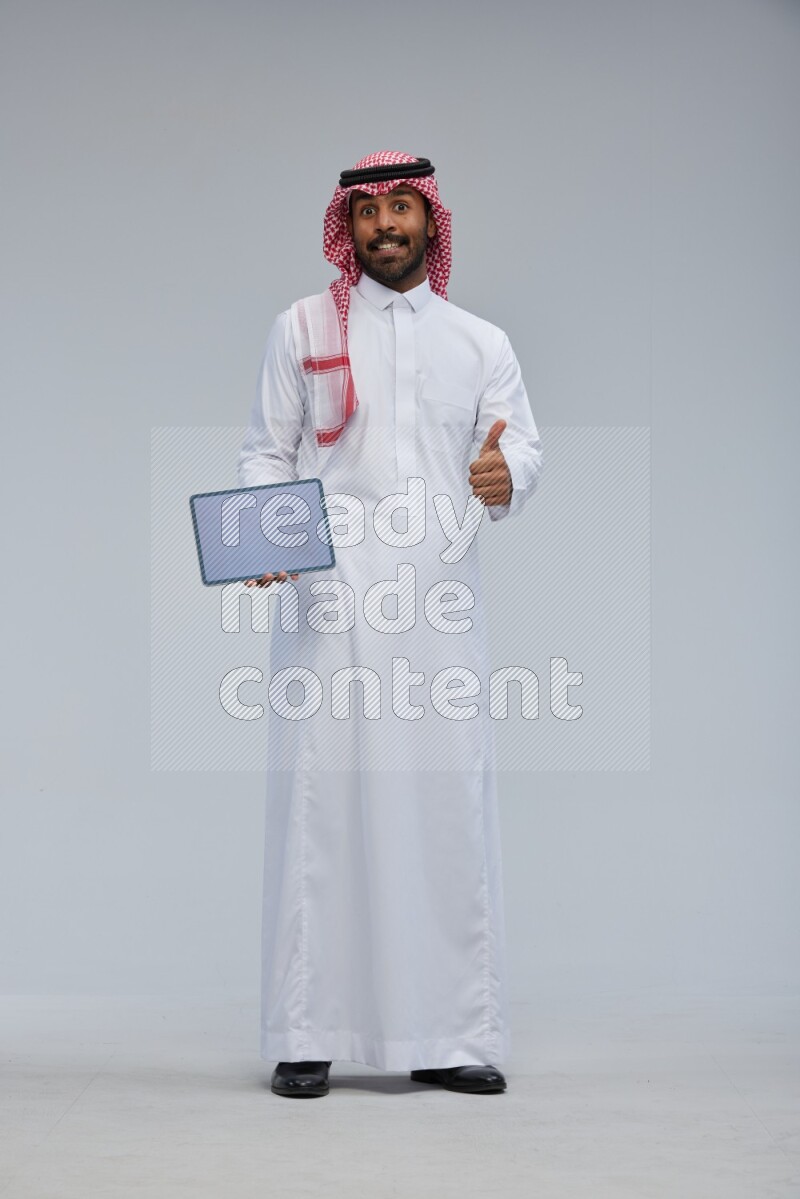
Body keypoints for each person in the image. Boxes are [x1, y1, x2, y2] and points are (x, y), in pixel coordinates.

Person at [237, 151, 542, 1098]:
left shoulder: (480, 343)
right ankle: (307, 1030)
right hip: (330, 604)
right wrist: (264, 543)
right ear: (349, 226)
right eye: (368, 213)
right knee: (324, 812)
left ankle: (448, 1035)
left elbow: (518, 442)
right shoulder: (301, 327)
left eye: (401, 208)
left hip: (439, 610)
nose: (385, 228)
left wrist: (508, 476)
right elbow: (264, 454)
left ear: (430, 220)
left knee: (444, 807)